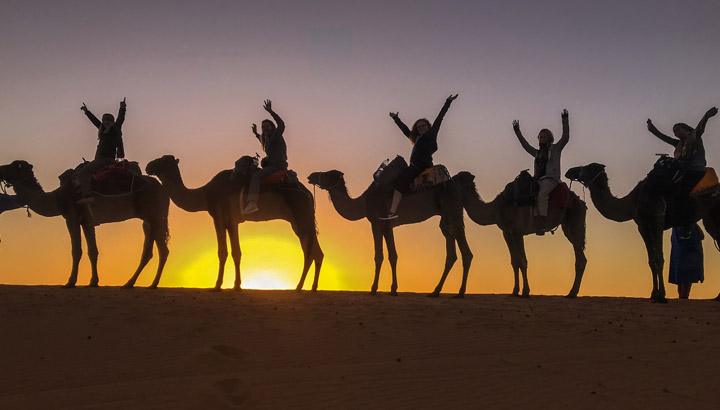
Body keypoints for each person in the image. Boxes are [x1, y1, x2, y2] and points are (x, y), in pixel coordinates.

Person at [381, 94, 458, 220]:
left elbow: (439, 119)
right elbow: (406, 130)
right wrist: (396, 118)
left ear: (428, 126)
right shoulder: (417, 139)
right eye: (419, 127)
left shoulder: (431, 135)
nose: (421, 128)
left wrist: (447, 102)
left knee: (398, 184)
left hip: (420, 167)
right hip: (415, 167)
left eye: (423, 125)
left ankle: (392, 212)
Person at [647, 106, 717, 238]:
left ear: (686, 129)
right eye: (674, 132)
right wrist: (652, 129)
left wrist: (707, 115)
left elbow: (700, 128)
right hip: (682, 172)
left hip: (695, 172)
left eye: (678, 130)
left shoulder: (694, 137)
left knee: (681, 193)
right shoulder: (678, 143)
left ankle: (687, 225)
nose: (675, 133)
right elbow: (664, 137)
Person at [512, 109, 570, 234]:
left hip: (551, 179)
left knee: (541, 194)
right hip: (538, 179)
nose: (541, 138)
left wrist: (565, 120)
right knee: (522, 190)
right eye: (540, 137)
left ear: (549, 138)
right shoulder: (537, 153)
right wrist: (517, 132)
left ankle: (541, 223)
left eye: (543, 137)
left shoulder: (556, 149)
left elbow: (565, 138)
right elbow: (525, 145)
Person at [77, 98, 127, 203]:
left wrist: (122, 108)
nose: (106, 122)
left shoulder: (115, 130)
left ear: (112, 122)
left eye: (108, 121)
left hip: (104, 160)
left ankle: (87, 195)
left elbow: (120, 119)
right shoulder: (103, 130)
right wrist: (87, 111)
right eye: (104, 120)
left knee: (82, 173)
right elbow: (95, 121)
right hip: (100, 159)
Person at [243, 99, 287, 214]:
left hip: (277, 165)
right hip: (272, 164)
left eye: (267, 126)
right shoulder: (267, 141)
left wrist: (271, 112)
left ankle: (252, 202)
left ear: (272, 127)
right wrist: (256, 134)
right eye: (263, 127)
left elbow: (281, 125)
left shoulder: (276, 136)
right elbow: (263, 142)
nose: (265, 128)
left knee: (256, 176)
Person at [668, 224, 704, 298]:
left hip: (682, 252)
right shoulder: (686, 225)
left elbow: (701, 236)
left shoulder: (677, 226)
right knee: (686, 275)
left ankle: (683, 296)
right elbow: (701, 236)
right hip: (687, 252)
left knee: (683, 275)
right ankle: (683, 296)